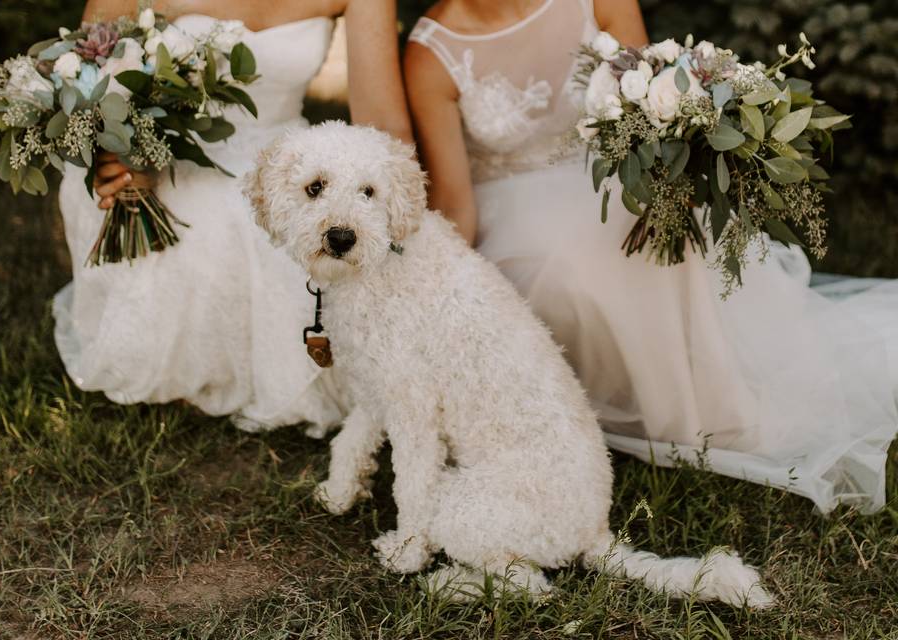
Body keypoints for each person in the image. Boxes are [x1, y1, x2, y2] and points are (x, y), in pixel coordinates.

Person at [405, 0, 898, 513]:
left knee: (673, 229)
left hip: (611, 180)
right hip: (512, 214)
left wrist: (675, 177)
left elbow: (651, 118)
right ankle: (655, 405)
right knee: (575, 271)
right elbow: (455, 201)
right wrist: (441, 296)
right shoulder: (431, 52)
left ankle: (719, 404)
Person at [54, 0, 411, 431]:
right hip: (165, 157)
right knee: (215, 213)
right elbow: (81, 81)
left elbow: (382, 122)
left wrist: (405, 234)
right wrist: (117, 156)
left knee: (287, 224)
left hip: (286, 163)